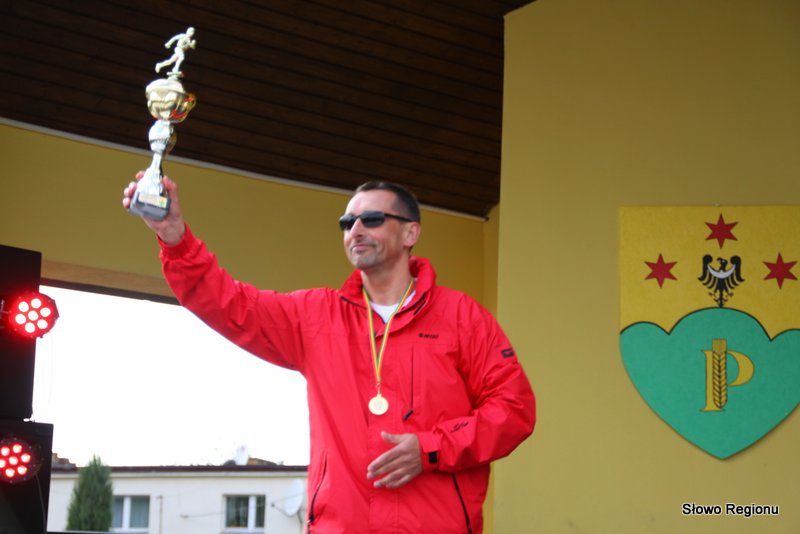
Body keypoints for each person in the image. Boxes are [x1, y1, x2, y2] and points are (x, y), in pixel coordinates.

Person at [122, 173, 536, 533]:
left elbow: (514, 410)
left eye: (372, 219)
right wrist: (174, 237)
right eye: (347, 222)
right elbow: (229, 304)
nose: (356, 229)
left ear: (411, 233)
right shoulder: (316, 315)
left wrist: (431, 448)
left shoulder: (462, 317)